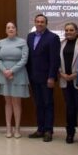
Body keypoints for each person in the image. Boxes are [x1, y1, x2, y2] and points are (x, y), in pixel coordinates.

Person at [26, 13, 60, 142]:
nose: (39, 24)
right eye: (37, 21)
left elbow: (54, 60)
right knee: (38, 104)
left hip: (46, 78)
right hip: (33, 77)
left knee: (48, 104)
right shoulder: (30, 36)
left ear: (46, 23)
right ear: (34, 23)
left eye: (42, 22)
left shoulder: (53, 38)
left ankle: (48, 130)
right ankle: (40, 129)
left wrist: (51, 77)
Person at [0, 21, 29, 138]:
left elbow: (24, 59)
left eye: (13, 27)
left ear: (16, 30)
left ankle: (17, 129)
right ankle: (8, 128)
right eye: (8, 27)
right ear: (5, 30)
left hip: (18, 75)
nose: (10, 29)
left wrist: (12, 71)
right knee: (8, 102)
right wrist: (5, 71)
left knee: (16, 103)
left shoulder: (22, 42)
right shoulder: (0, 42)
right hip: (3, 75)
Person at [59, 22, 78, 144]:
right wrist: (62, 74)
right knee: (70, 108)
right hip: (65, 80)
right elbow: (57, 62)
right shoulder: (61, 44)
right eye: (67, 30)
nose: (69, 32)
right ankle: (70, 133)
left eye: (71, 30)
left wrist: (76, 74)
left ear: (76, 31)